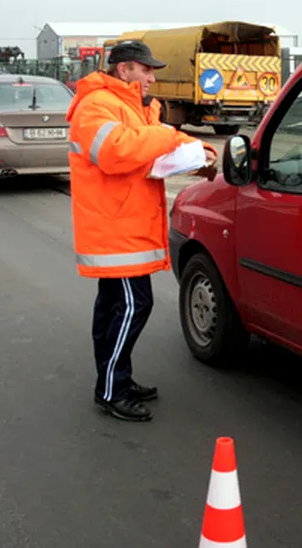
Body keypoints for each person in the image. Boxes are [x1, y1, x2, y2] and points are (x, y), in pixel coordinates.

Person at [65, 40, 217, 422]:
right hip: (115, 229)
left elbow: (159, 144)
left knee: (114, 307)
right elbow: (117, 151)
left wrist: (199, 150)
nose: (151, 77)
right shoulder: (95, 105)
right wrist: (171, 136)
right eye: (145, 70)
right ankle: (112, 390)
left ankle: (117, 380)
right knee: (134, 305)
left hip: (127, 226)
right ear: (124, 70)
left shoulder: (139, 108)